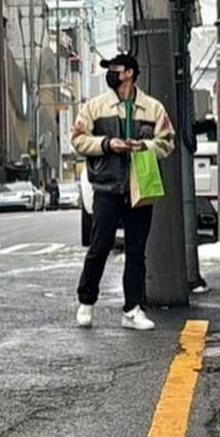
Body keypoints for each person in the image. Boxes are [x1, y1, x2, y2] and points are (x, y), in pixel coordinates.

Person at [70, 53, 175, 330]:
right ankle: (86, 301)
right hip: (107, 186)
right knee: (100, 245)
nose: (111, 74)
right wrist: (107, 144)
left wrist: (145, 147)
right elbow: (78, 140)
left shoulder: (152, 108)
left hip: (140, 186)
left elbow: (167, 142)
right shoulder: (95, 106)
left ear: (129, 73)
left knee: (137, 250)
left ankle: (132, 308)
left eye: (115, 69)